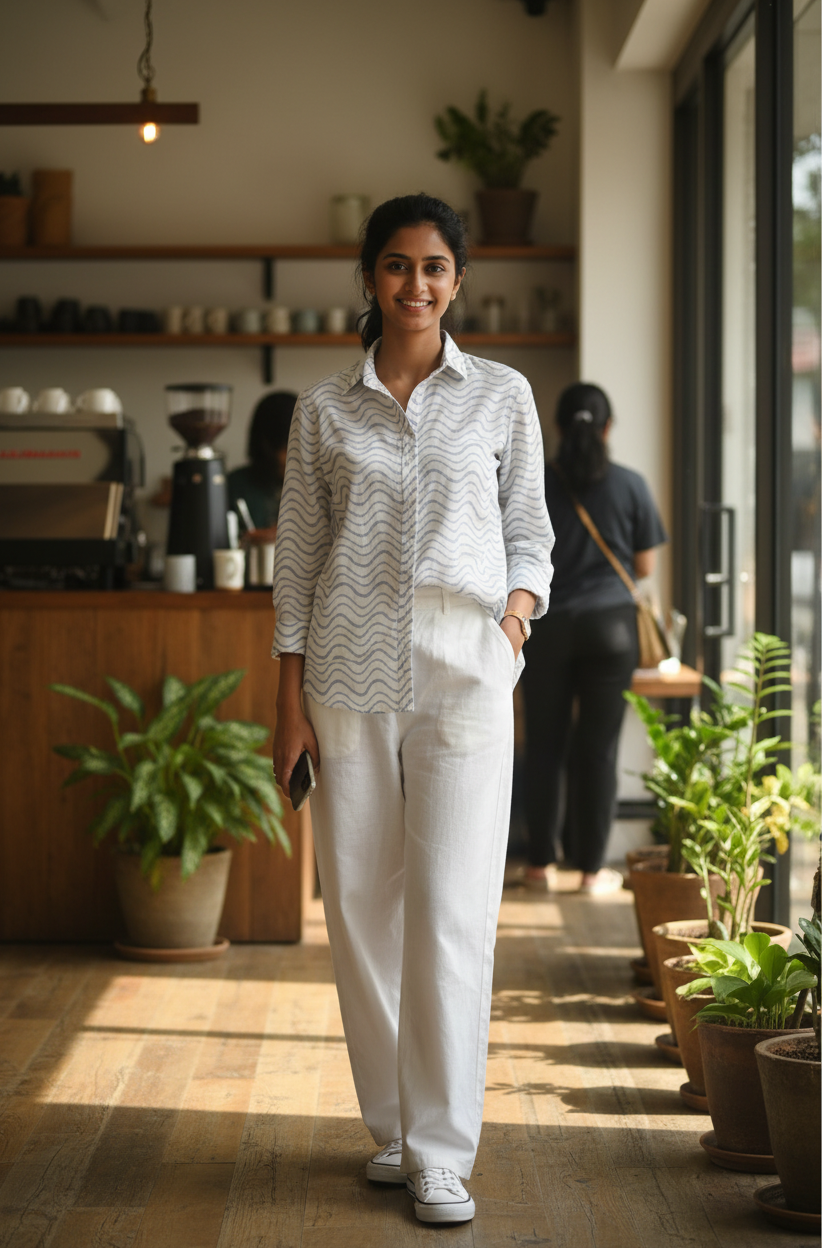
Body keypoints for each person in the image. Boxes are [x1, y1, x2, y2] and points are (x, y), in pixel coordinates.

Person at [271, 193, 553, 1226]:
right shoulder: (322, 412)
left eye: (434, 268)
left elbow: (530, 529)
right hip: (343, 674)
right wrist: (286, 701)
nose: (416, 286)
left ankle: (442, 1151)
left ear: (457, 281)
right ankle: (389, 1126)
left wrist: (516, 613)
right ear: (370, 278)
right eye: (397, 267)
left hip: (465, 667)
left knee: (449, 908)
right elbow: (296, 561)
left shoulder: (503, 396)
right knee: (359, 907)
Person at [520, 382, 667, 895]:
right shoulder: (630, 484)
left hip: (547, 625)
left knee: (544, 746)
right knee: (598, 750)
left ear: (557, 428)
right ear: (607, 428)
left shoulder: (536, 482)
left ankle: (539, 866)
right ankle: (589, 872)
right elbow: (644, 566)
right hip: (611, 630)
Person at [226, 389, 296, 535]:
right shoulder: (236, 486)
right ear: (264, 444)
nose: (289, 457)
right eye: (284, 447)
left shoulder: (321, 485)